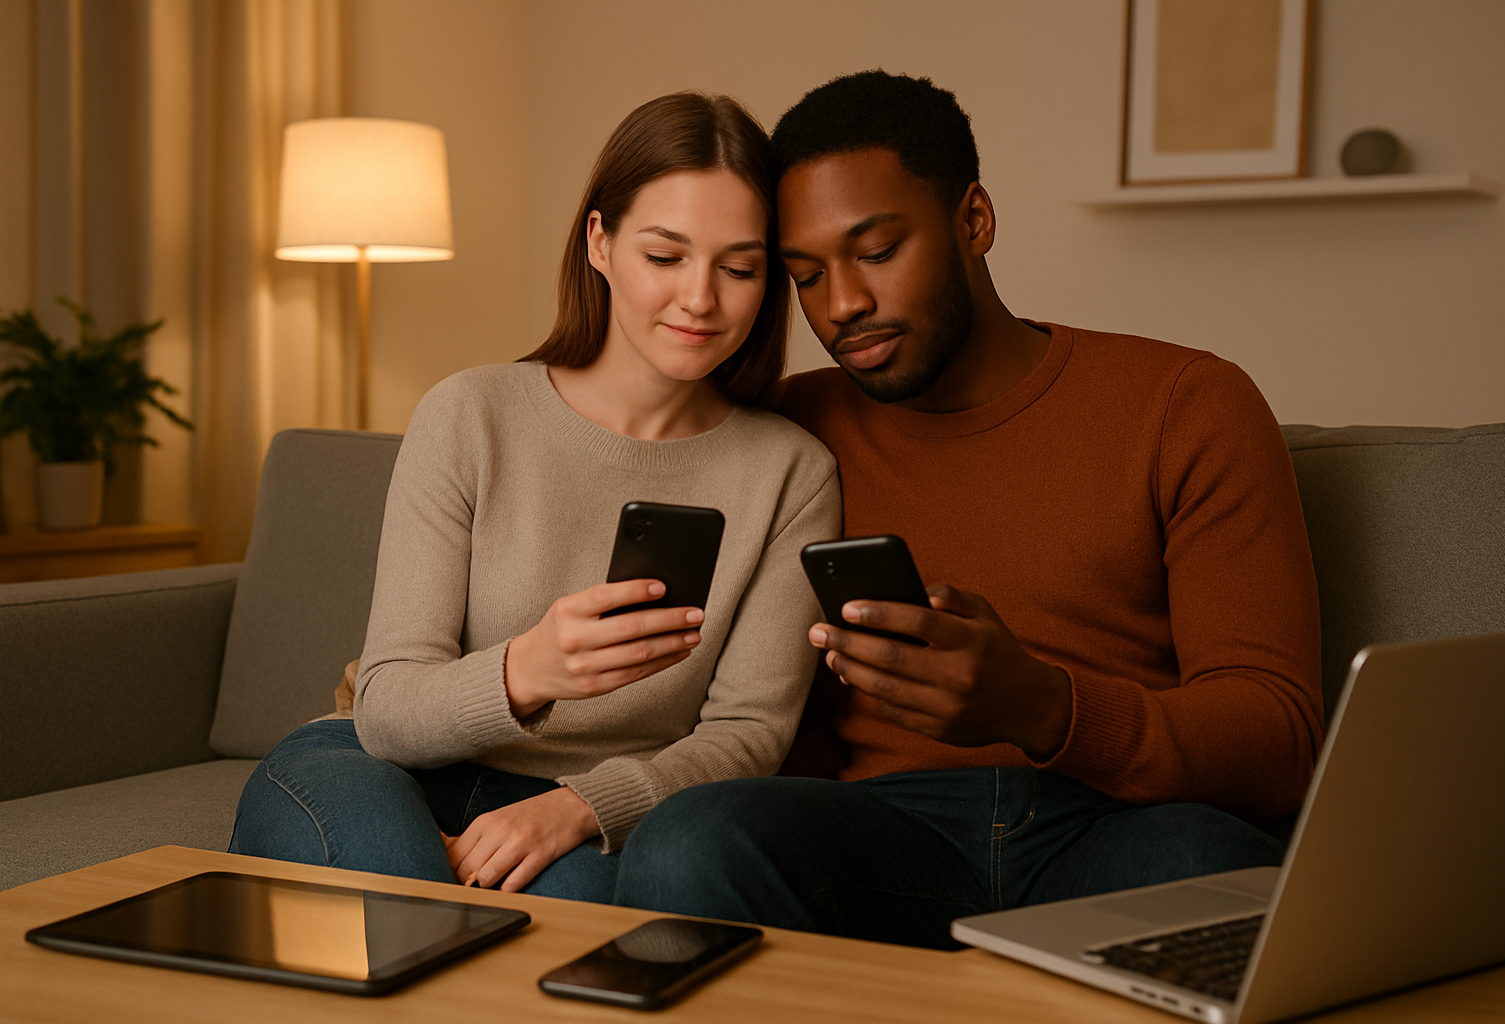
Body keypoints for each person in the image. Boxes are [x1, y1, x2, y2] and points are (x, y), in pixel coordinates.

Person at [612, 71, 1324, 948]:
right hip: (879, 837)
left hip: (1119, 823)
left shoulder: (1186, 404)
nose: (843, 306)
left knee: (1216, 869)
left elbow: (1280, 736)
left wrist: (1044, 707)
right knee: (690, 844)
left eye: (877, 252)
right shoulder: (790, 431)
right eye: (805, 275)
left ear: (974, 221)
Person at [228, 92, 840, 902]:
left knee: (552, 930)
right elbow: (388, 705)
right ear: (600, 242)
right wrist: (529, 669)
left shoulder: (789, 471)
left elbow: (748, 735)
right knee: (402, 905)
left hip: (593, 815)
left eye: (738, 267)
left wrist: (580, 807)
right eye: (665, 257)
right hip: (378, 765)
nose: (701, 298)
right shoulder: (470, 413)